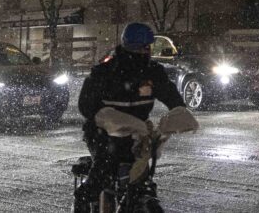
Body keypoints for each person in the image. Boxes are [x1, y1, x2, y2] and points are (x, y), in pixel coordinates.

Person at [74, 23, 197, 211]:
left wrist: (178, 113)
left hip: (137, 134)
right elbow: (86, 104)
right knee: (103, 171)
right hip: (104, 134)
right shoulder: (106, 71)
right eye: (143, 47)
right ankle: (85, 196)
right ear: (130, 46)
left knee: (141, 181)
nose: (146, 51)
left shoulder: (153, 72)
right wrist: (108, 119)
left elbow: (171, 96)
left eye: (148, 47)